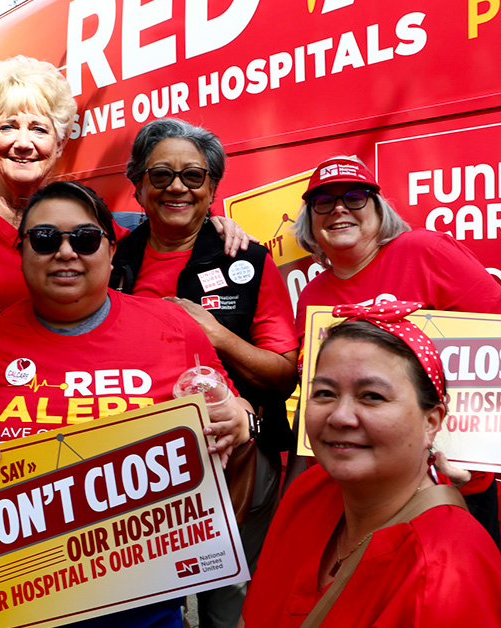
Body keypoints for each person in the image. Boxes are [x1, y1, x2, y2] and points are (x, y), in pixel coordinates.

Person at [0, 181, 252, 628]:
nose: (65, 252)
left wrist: (240, 419)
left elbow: (229, 407)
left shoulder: (172, 326)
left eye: (84, 239)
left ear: (109, 251)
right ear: (22, 251)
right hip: (18, 604)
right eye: (45, 239)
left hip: (149, 606)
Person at [110, 117, 298, 628]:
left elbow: (283, 376)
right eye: (161, 174)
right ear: (138, 185)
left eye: (193, 176)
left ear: (212, 188)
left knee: (229, 609)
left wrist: (214, 334)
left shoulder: (248, 259)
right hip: (135, 470)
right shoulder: (107, 255)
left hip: (234, 461)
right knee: (141, 604)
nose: (177, 186)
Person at [242, 303, 501, 627]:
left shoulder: (446, 573)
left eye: (372, 396)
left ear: (431, 422)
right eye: (324, 393)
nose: (340, 416)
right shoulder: (308, 493)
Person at [292, 155, 501, 542]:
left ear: (379, 209)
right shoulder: (311, 296)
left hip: (445, 475)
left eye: (355, 197)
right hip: (354, 487)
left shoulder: (424, 250)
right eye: (323, 202)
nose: (339, 208)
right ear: (310, 221)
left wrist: (468, 452)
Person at [0, 56, 253, 311]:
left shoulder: (88, 219)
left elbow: (161, 238)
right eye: (8, 127)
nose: (23, 143)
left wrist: (212, 224)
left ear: (59, 144)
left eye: (38, 129)